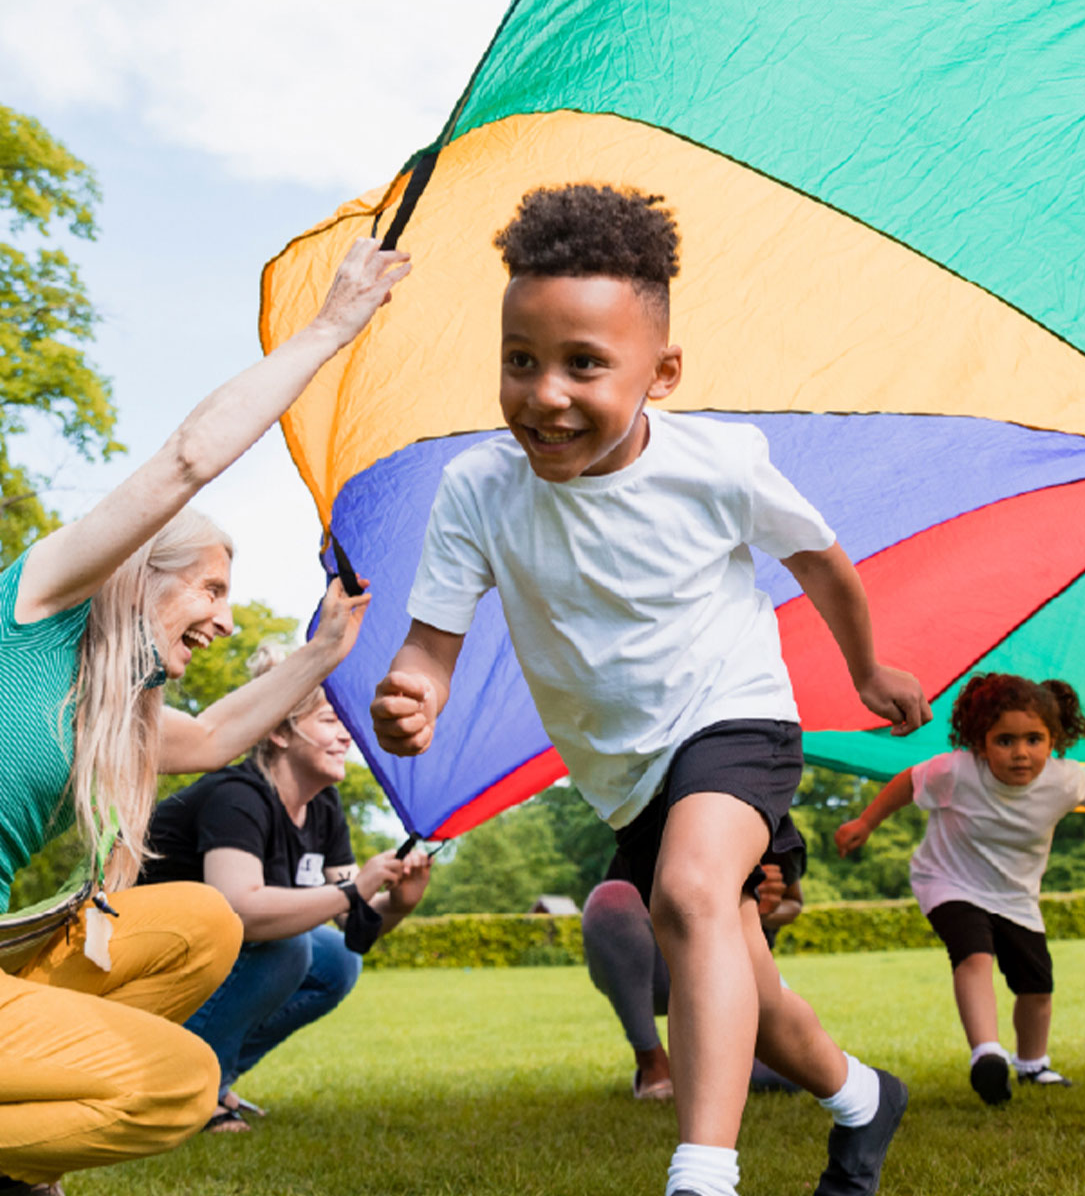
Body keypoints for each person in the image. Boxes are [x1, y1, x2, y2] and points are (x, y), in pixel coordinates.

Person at [369, 184, 929, 1196]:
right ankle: (859, 1098)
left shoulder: (718, 463)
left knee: (689, 891)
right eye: (520, 361)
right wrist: (411, 694)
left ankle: (703, 1173)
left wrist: (868, 669)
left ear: (660, 372)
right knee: (742, 981)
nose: (546, 393)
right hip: (626, 771)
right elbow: (428, 647)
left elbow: (821, 562)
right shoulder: (478, 491)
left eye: (585, 364)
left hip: (733, 714)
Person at [0, 238, 407, 1196]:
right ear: (139, 577)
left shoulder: (103, 708)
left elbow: (214, 740)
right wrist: (331, 329)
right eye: (210, 588)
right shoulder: (34, 611)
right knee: (177, 1084)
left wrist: (323, 655)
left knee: (196, 923)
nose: (222, 616)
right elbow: (184, 461)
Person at [142, 646, 433, 1132]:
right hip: (145, 949)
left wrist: (398, 902)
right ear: (278, 731)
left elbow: (352, 925)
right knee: (288, 946)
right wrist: (353, 891)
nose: (347, 735)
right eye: (329, 721)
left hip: (211, 953)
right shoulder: (238, 797)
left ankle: (213, 1074)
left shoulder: (323, 807)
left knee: (338, 959)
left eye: (346, 722)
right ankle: (186, 1089)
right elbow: (240, 909)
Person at [835, 673, 1085, 1106]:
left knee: (1036, 986)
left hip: (1016, 897)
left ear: (1053, 740)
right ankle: (987, 1055)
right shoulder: (957, 771)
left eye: (1034, 739)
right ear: (980, 742)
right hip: (947, 881)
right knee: (974, 954)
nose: (1021, 753)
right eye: (1005, 741)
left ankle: (1033, 1064)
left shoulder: (1062, 778)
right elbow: (908, 782)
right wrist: (865, 822)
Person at [582, 855, 804, 1102]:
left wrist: (760, 908)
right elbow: (618, 917)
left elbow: (793, 901)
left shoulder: (776, 829)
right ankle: (652, 1063)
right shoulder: (649, 823)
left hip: (739, 967)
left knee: (793, 1070)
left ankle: (709, 1056)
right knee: (609, 900)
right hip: (668, 960)